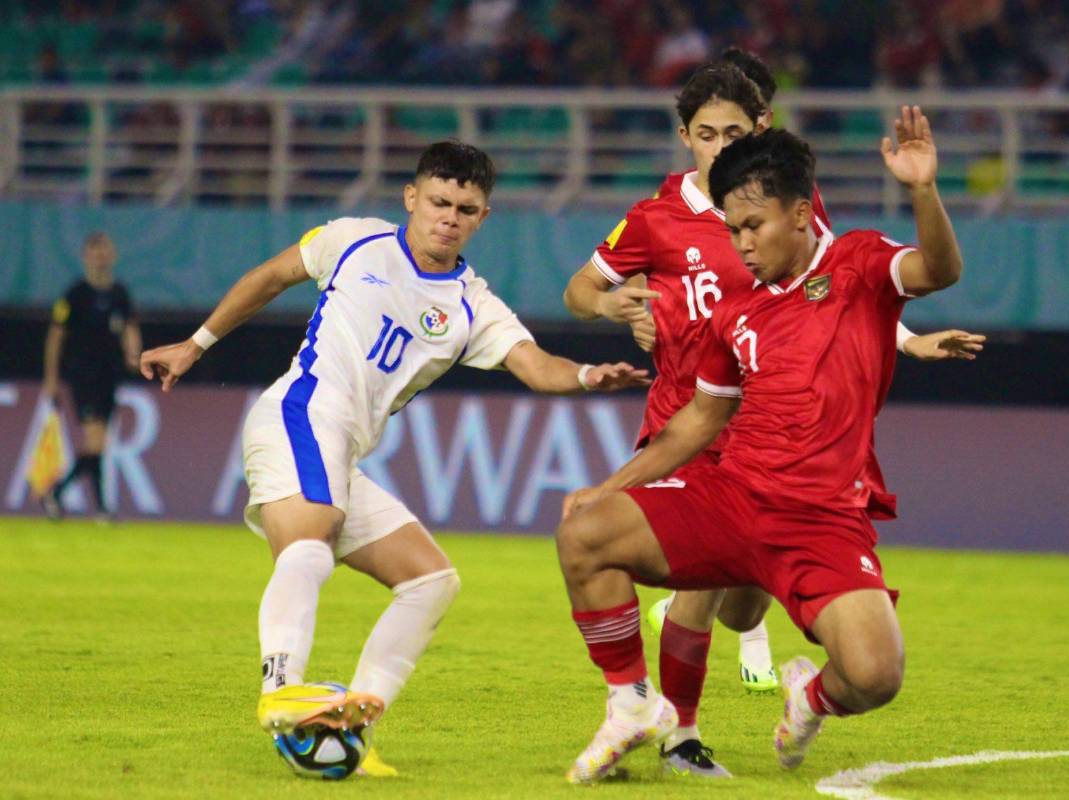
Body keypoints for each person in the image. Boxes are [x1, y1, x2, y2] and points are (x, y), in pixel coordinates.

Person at [139, 141, 649, 777]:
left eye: (466, 208)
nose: (449, 216)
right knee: (310, 541)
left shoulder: (472, 305)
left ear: (482, 218)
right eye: (438, 200)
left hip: (341, 451)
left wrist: (589, 375)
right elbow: (271, 276)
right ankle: (282, 692)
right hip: (298, 414)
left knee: (431, 581)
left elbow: (537, 366)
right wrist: (195, 344)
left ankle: (351, 722)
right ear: (412, 198)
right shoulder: (354, 241)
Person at [562, 59, 982, 778]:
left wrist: (923, 191)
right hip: (732, 496)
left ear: (798, 212)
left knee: (873, 676)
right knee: (584, 532)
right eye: (732, 230)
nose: (742, 243)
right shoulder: (735, 310)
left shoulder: (858, 264)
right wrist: (608, 488)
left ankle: (810, 697)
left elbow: (938, 273)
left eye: (753, 226)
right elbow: (700, 420)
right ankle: (646, 713)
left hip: (820, 519)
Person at [41, 232, 142, 522]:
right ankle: (65, 495)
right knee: (95, 440)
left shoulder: (120, 293)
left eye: (104, 251)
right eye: (94, 252)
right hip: (82, 374)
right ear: (86, 257)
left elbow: (130, 328)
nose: (99, 257)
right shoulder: (75, 294)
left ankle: (93, 507)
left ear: (113, 255)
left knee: (99, 443)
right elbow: (55, 337)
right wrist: (51, 378)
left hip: (109, 375)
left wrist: (133, 354)